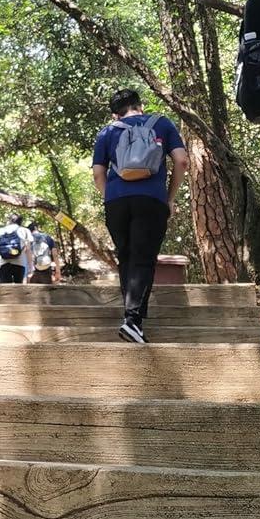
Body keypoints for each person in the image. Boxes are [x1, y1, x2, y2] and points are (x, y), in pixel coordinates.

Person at [91, 88, 188, 343]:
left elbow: (98, 174)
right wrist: (169, 198)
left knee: (126, 257)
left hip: (116, 201)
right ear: (140, 105)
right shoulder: (162, 123)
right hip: (151, 199)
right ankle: (133, 321)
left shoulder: (107, 132)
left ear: (115, 114)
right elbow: (181, 161)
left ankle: (131, 319)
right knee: (143, 258)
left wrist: (110, 197)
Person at [0, 213, 33, 283]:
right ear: (20, 222)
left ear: (10, 220)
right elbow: (28, 250)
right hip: (19, 263)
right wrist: (31, 267)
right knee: (18, 287)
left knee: (5, 288)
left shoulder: (1, 231)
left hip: (4, 263)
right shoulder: (25, 230)